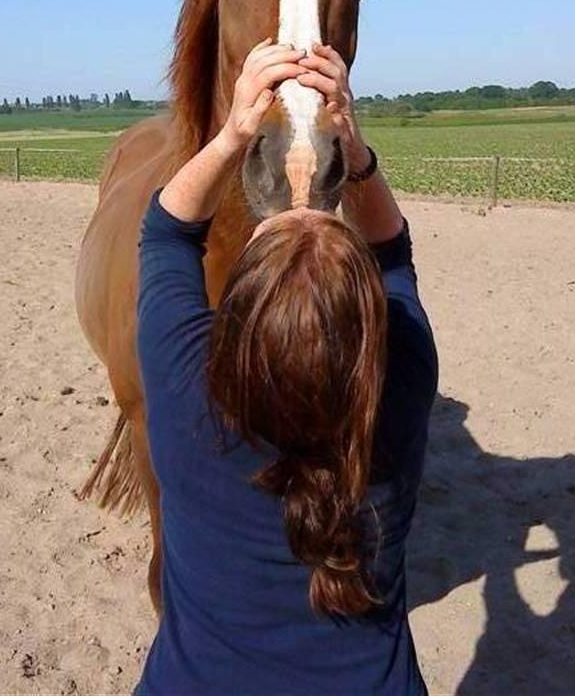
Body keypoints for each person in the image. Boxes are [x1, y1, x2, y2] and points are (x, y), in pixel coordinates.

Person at [134, 42, 439, 695]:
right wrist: (353, 154)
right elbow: (394, 253)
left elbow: (162, 230)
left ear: (235, 311)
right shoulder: (402, 383)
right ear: (370, 328)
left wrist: (233, 134)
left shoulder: (185, 381)